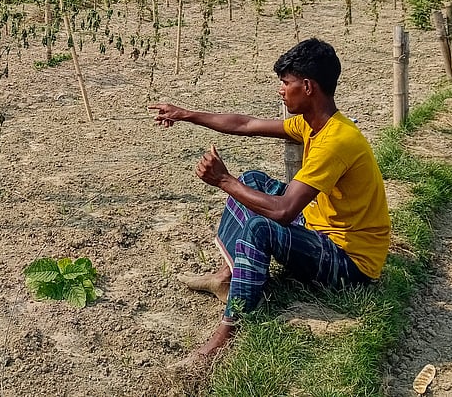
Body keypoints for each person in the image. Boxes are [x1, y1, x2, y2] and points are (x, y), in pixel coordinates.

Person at [148, 38, 389, 362]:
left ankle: (226, 334)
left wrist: (223, 180)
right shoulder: (315, 124)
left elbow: (284, 211)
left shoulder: (336, 141)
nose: (281, 90)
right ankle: (225, 278)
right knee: (252, 181)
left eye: (286, 83)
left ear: (307, 87)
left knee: (260, 226)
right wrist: (186, 114)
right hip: (322, 229)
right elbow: (246, 124)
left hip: (352, 264)